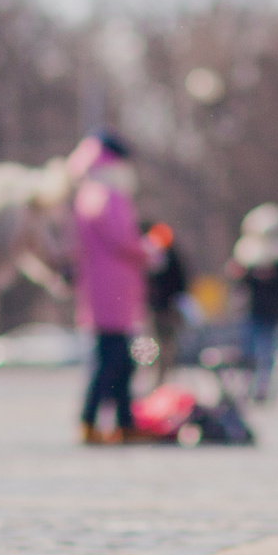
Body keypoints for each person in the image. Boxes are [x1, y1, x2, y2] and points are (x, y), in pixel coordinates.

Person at [67, 133, 148, 445]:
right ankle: (94, 421)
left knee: (118, 361)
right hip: (113, 290)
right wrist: (148, 250)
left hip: (101, 290)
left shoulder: (88, 192)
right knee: (111, 362)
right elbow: (122, 239)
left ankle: (121, 421)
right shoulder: (108, 195)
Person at [229, 204, 278, 403]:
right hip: (249, 310)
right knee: (247, 353)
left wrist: (269, 277)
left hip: (271, 311)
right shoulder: (246, 249)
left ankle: (262, 389)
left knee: (266, 353)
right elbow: (238, 281)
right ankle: (246, 388)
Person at [143, 223, 189, 390]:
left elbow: (180, 284)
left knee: (166, 346)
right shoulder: (155, 257)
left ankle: (164, 382)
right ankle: (159, 381)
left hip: (166, 310)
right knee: (157, 347)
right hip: (157, 310)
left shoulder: (170, 257)